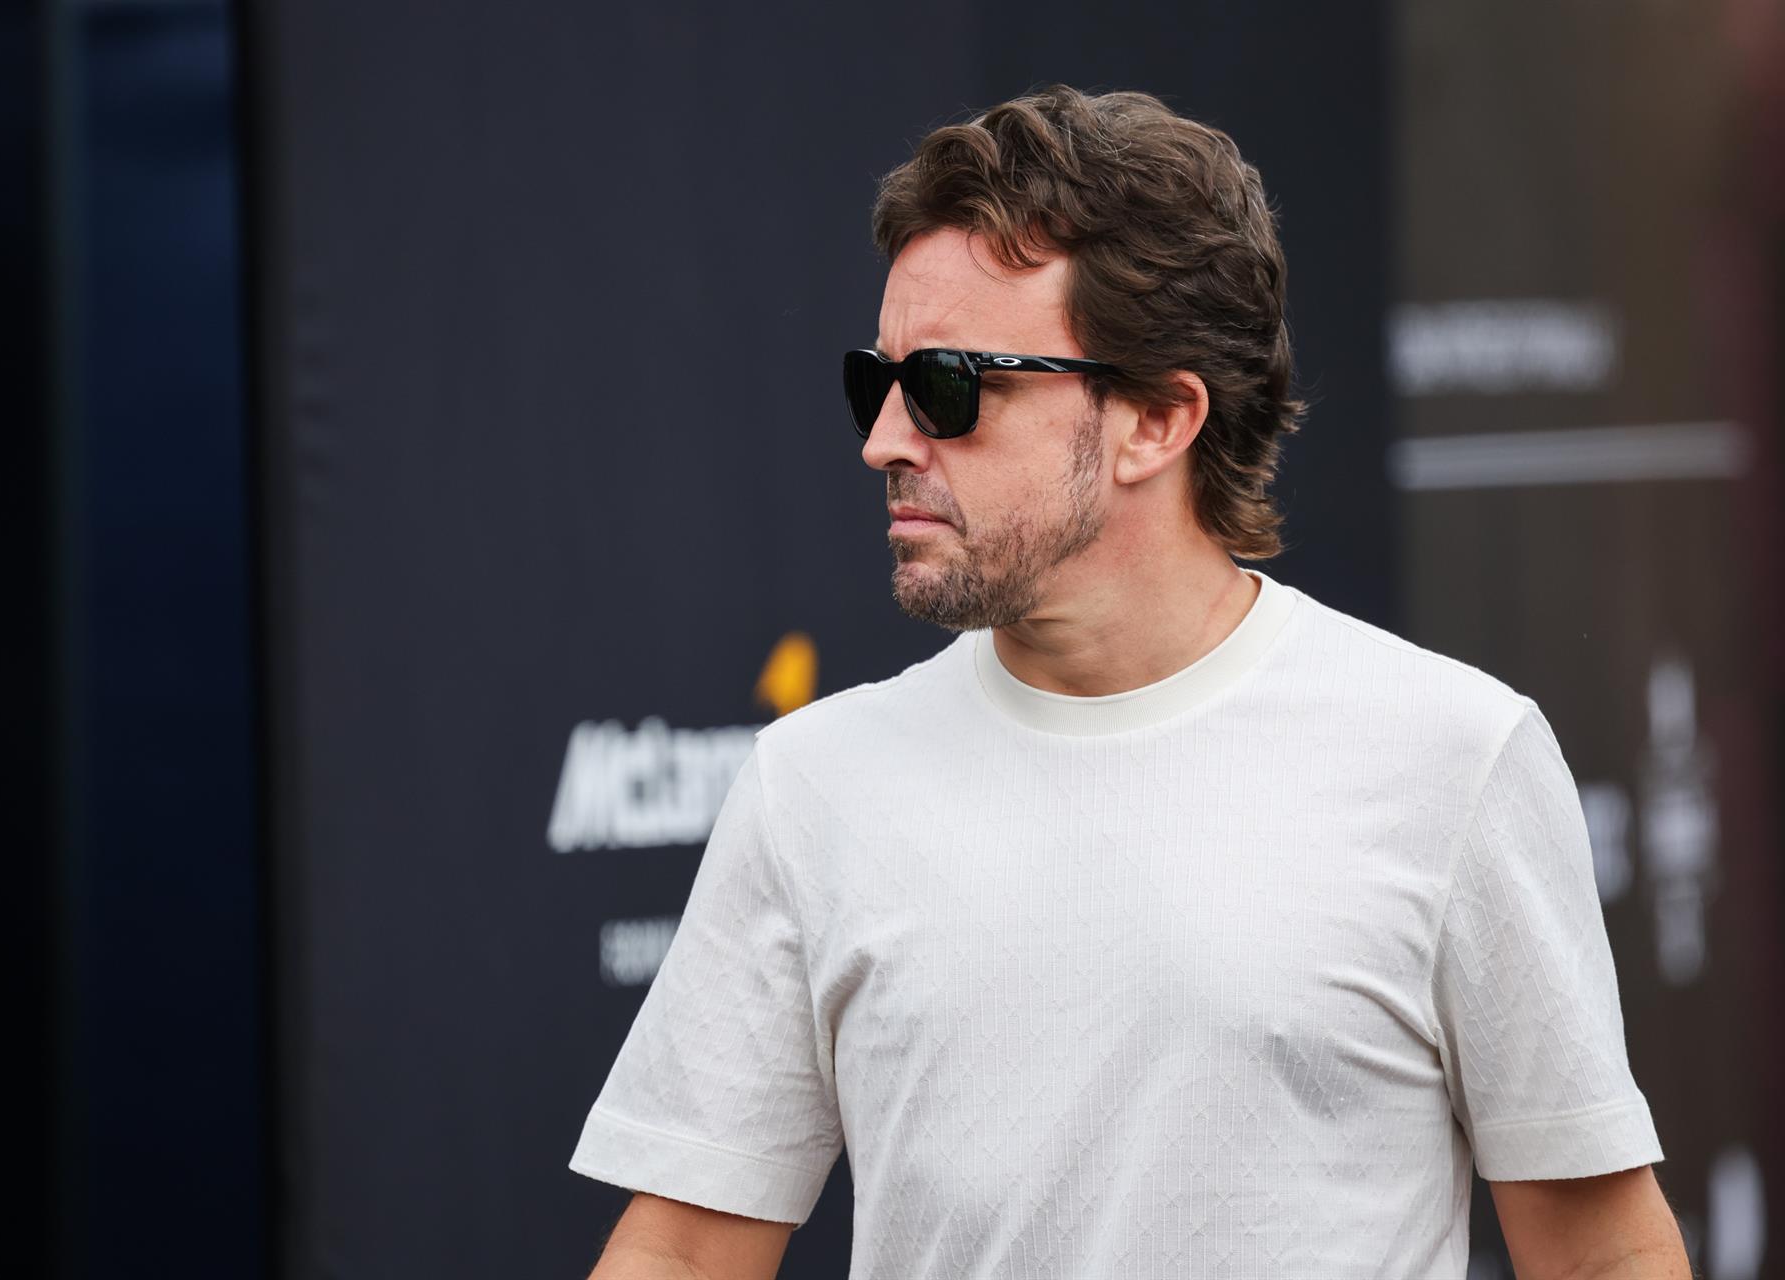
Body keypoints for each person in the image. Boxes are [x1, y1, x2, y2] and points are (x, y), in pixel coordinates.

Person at [568, 85, 1686, 1279]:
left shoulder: (1453, 756)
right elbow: (684, 1252)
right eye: (874, 382)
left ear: (1156, 417)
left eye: (947, 384)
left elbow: (1601, 1253)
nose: (885, 438)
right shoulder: (812, 785)